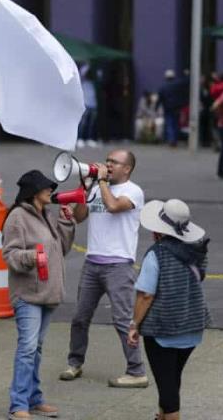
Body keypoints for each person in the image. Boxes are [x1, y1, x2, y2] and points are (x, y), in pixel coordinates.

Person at [61, 149, 148, 388]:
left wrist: (100, 180)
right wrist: (85, 189)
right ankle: (75, 362)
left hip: (119, 265)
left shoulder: (133, 191)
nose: (108, 165)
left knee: (122, 320)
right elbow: (80, 217)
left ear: (127, 168)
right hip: (92, 263)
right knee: (80, 317)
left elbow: (112, 206)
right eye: (107, 161)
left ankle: (136, 371)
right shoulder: (98, 188)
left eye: (113, 162)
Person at [2, 170, 76, 420]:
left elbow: (61, 249)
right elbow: (10, 255)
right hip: (28, 295)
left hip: (48, 293)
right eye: (46, 188)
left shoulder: (47, 214)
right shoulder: (17, 217)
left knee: (36, 348)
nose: (51, 191)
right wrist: (32, 257)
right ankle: (18, 404)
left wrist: (67, 222)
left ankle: (34, 399)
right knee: (27, 348)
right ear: (33, 192)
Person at [126, 199, 208, 420]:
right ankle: (161, 416)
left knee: (168, 387)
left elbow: (146, 295)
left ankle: (169, 415)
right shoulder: (197, 252)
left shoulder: (157, 254)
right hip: (192, 326)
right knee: (171, 380)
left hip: (163, 330)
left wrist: (134, 324)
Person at [159, 69, 188, 147]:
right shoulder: (177, 85)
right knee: (176, 124)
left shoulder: (163, 87)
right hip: (177, 108)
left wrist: (157, 107)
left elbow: (160, 98)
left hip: (168, 108)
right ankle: (174, 139)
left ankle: (171, 140)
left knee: (169, 124)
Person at [77, 64, 99, 148]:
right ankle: (80, 139)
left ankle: (89, 138)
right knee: (83, 123)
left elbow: (98, 75)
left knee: (91, 123)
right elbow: (81, 74)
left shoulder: (93, 83)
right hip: (85, 104)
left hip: (93, 104)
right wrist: (88, 65)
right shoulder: (83, 82)